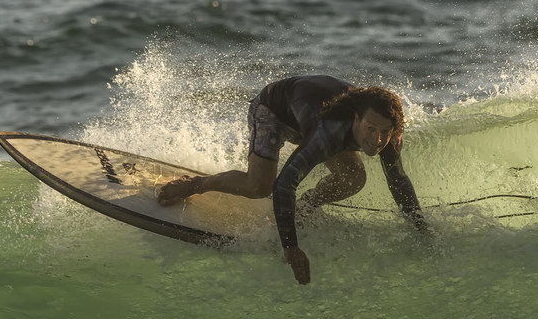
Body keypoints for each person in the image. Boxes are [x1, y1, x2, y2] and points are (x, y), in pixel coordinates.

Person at [157, 75, 429, 285]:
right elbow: (285, 183)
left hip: (310, 115)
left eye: (385, 132)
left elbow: (398, 181)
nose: (377, 140)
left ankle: (306, 207)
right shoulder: (328, 133)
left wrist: (422, 229)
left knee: (354, 178)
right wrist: (291, 247)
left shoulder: (387, 134)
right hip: (273, 109)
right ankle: (196, 185)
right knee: (260, 186)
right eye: (371, 129)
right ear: (356, 119)